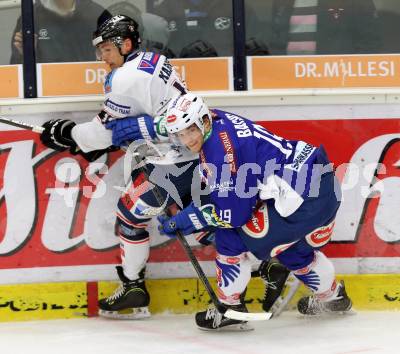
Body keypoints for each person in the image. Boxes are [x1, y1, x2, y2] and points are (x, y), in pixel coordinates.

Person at [37, 14, 200, 319]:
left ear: (125, 44)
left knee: (129, 214)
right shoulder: (153, 60)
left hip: (169, 164)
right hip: (191, 154)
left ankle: (134, 288)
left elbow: (104, 130)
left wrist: (67, 133)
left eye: (107, 51)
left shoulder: (124, 79)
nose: (103, 59)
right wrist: (114, 135)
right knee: (201, 220)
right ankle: (267, 258)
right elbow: (139, 119)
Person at [159, 93, 352, 330]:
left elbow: (235, 216)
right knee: (291, 249)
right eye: (181, 133)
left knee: (230, 238)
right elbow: (235, 186)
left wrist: (187, 218)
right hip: (321, 181)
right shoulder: (217, 117)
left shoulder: (218, 153)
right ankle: (333, 298)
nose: (187, 140)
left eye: (191, 130)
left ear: (204, 121)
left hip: (302, 198)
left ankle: (231, 310)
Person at [151, 0, 268, 57]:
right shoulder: (164, 11)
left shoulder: (237, 7)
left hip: (227, 80)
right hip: (179, 79)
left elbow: (256, 54)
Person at [10, 0, 111, 63]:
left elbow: (116, 58)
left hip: (90, 89)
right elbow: (17, 72)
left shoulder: (96, 14)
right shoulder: (31, 17)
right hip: (49, 91)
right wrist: (24, 55)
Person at [270, 0, 380, 55]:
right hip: (288, 81)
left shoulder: (354, 2)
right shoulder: (282, 2)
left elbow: (370, 44)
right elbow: (276, 42)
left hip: (332, 82)